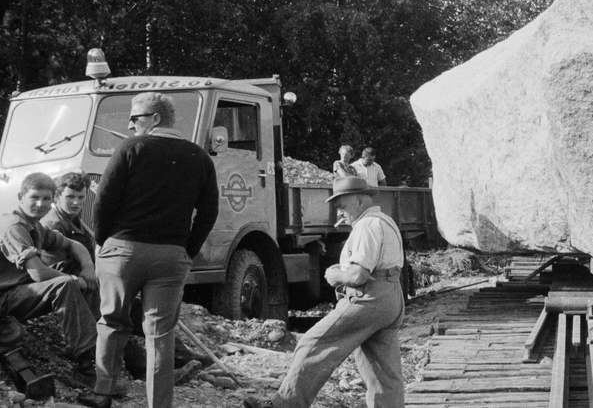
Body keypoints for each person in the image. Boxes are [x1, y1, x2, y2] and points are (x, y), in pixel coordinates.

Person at [78, 92, 218, 408]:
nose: (129, 125)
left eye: (135, 118)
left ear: (154, 119)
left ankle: (103, 394)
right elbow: (208, 212)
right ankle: (160, 405)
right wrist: (186, 250)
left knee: (112, 322)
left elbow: (103, 201)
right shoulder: (199, 157)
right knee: (160, 335)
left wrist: (102, 242)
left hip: (122, 252)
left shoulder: (130, 148)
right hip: (171, 257)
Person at [244, 176, 406, 408]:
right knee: (383, 371)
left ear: (360, 201)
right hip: (391, 297)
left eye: (342, 206)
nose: (338, 213)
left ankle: (283, 405)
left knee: (312, 345)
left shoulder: (367, 226)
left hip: (370, 297)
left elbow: (358, 276)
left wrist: (335, 275)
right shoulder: (384, 221)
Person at [0, 173, 99, 380]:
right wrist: (76, 281)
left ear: (53, 200)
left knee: (72, 266)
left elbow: (72, 244)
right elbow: (39, 273)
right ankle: (87, 366)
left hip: (9, 289)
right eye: (34, 197)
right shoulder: (14, 226)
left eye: (46, 198)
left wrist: (87, 268)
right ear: (21, 197)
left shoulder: (35, 225)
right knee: (63, 284)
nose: (40, 204)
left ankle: (96, 334)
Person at [42, 172, 97, 277]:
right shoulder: (53, 224)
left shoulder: (74, 219)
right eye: (70, 197)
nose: (76, 202)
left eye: (81, 197)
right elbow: (55, 269)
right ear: (57, 196)